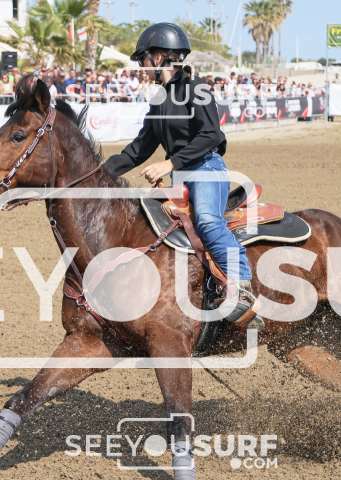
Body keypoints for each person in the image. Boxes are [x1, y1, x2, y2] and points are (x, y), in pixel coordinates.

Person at [102, 22, 264, 331]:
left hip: (206, 169)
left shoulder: (196, 88)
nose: (141, 66)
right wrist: (96, 175)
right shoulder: (158, 101)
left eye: (143, 59)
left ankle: (242, 287)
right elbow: (137, 150)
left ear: (159, 57)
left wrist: (169, 164)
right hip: (180, 176)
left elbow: (211, 135)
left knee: (208, 221)